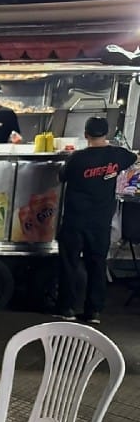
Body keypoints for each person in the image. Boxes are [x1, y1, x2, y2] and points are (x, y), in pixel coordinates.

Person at [55, 116, 137, 324]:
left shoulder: (77, 158)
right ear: (106, 134)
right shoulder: (117, 155)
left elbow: (61, 176)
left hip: (74, 220)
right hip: (100, 222)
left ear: (86, 135)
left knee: (69, 264)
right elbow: (132, 157)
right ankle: (93, 311)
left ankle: (66, 308)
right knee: (97, 264)